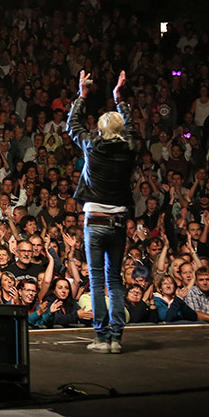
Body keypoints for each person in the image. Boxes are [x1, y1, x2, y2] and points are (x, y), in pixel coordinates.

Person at [68, 70, 137, 354]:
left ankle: (101, 338)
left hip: (95, 218)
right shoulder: (130, 148)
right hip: (119, 220)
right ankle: (117, 338)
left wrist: (82, 95)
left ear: (100, 129)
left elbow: (73, 125)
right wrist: (119, 99)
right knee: (115, 278)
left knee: (96, 279)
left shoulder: (92, 145)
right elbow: (131, 128)